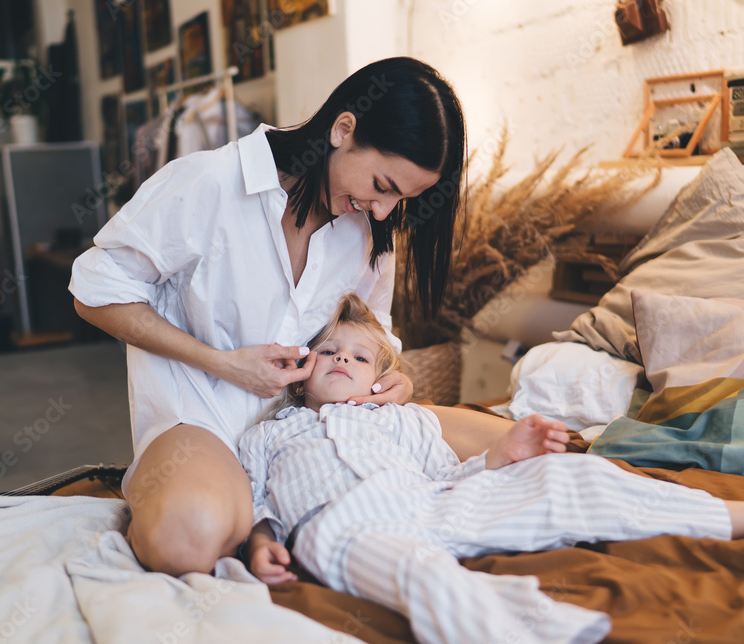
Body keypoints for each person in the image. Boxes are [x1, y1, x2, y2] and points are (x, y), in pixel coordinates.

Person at [239, 294, 744, 644]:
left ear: (382, 378)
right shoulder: (272, 433)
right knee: (424, 575)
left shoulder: (405, 420)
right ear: (301, 372)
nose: (343, 360)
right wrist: (263, 541)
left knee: (573, 478)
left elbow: (453, 477)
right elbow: (255, 499)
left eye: (360, 356)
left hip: (428, 503)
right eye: (330, 351)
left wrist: (504, 456)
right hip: (342, 526)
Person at [69, 56, 466, 576]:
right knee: (185, 542)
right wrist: (222, 363)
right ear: (343, 129)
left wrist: (395, 380)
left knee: (524, 444)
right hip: (202, 424)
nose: (384, 210)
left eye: (404, 199)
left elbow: (376, 333)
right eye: (383, 185)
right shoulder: (211, 182)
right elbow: (95, 293)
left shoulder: (369, 232)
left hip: (319, 429)